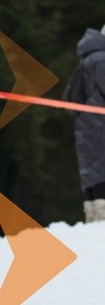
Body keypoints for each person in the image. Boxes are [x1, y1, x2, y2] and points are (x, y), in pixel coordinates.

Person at [71, 25, 105, 222]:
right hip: (100, 124)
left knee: (93, 170)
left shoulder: (89, 58)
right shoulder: (101, 59)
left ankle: (94, 217)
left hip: (87, 124)